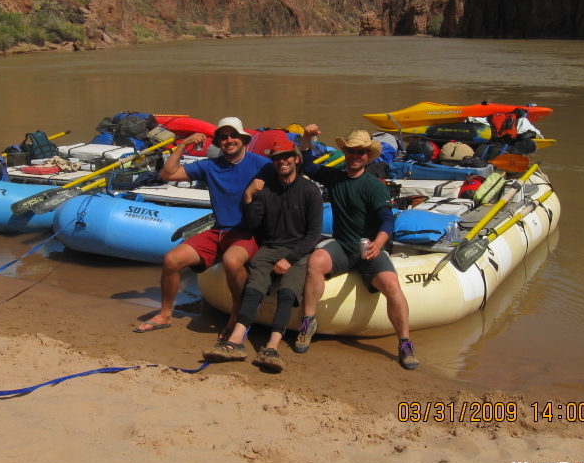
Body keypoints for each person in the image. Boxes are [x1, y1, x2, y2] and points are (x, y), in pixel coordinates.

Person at [133, 117, 272, 336]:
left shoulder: (260, 164)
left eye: (233, 135)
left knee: (232, 260)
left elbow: (290, 177)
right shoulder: (210, 166)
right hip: (218, 231)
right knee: (171, 260)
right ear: (218, 141)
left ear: (243, 139)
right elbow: (167, 174)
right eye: (224, 137)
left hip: (247, 232)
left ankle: (237, 314)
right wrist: (182, 144)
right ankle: (165, 314)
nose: (229, 140)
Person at [297, 126, 420, 370]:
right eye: (351, 151)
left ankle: (405, 343)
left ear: (368, 156)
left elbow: (387, 219)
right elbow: (308, 166)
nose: (356, 155)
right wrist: (308, 138)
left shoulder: (374, 186)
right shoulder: (336, 177)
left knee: (393, 286)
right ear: (345, 153)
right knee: (315, 262)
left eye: (361, 152)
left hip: (369, 250)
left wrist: (379, 244)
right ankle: (308, 322)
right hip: (343, 246)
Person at [201, 139, 324, 372]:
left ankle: (271, 348)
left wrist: (290, 259)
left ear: (296, 159)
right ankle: (235, 342)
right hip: (269, 248)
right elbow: (252, 224)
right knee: (254, 288)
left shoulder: (310, 191)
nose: (282, 161)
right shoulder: (265, 190)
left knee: (287, 293)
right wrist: (247, 197)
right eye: (277, 158)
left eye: (287, 156)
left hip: (299, 251)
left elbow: (313, 234)